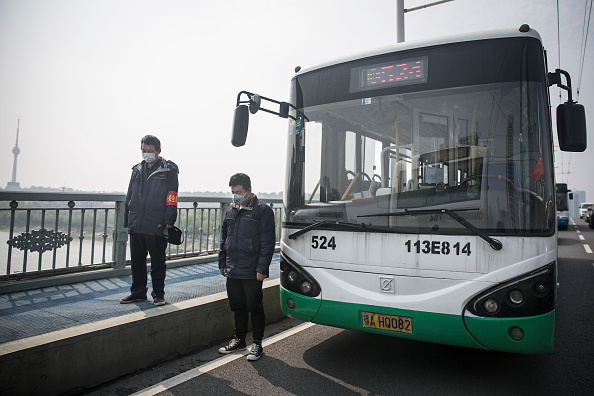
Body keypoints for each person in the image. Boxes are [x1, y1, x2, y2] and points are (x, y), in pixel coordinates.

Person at [218, 173, 276, 361]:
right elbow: (223, 237)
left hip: (252, 269)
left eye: (239, 192)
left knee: (254, 306)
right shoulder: (230, 210)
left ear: (249, 190)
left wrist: (262, 268)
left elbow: (267, 242)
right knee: (237, 306)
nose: (236, 196)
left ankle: (257, 344)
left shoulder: (262, 211)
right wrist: (222, 261)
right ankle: (239, 340)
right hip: (233, 267)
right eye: (233, 192)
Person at [120, 135, 179, 306]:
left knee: (157, 261)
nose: (146, 154)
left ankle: (158, 294)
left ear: (159, 151)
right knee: (137, 261)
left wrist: (169, 219)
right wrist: (127, 219)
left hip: (156, 223)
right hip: (137, 222)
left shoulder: (169, 169)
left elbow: (172, 196)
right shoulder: (137, 169)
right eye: (143, 151)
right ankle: (137, 293)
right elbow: (129, 196)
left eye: (150, 151)